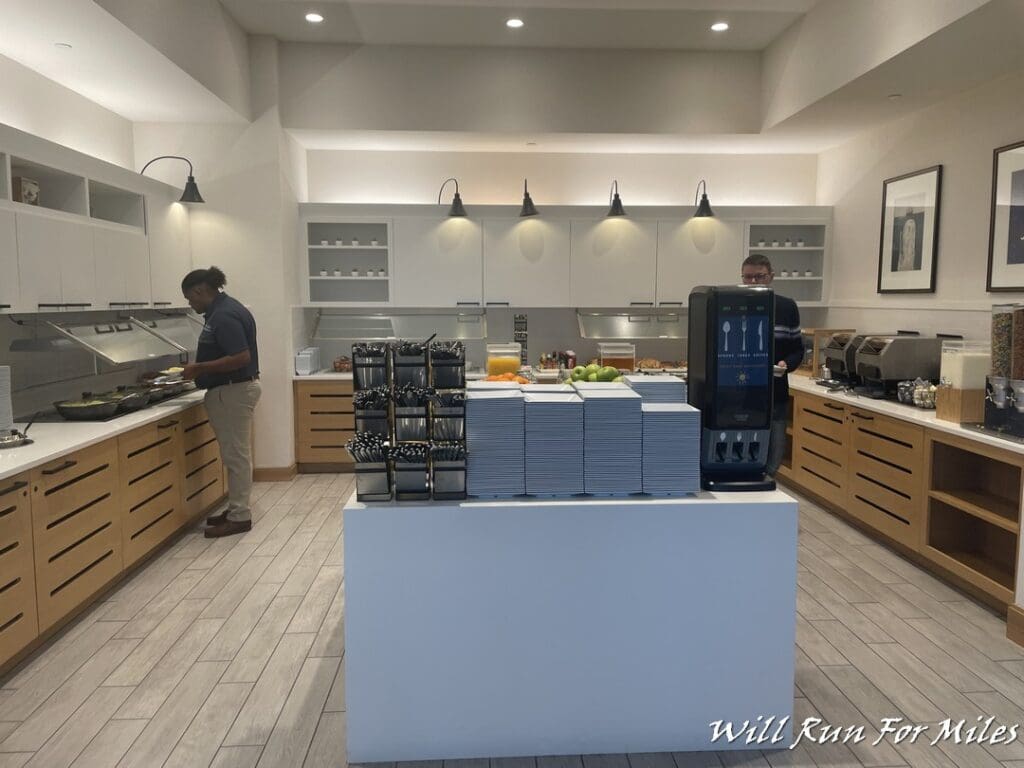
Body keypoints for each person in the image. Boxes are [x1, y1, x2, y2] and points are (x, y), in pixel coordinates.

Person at [180, 267, 262, 538]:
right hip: (232, 390)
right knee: (235, 454)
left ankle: (239, 516)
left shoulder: (224, 315)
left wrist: (199, 367)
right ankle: (236, 508)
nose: (191, 305)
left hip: (232, 391)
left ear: (200, 291)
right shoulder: (224, 309)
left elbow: (241, 357)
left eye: (190, 299)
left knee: (236, 456)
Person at [740, 254, 803, 477]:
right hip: (741, 391)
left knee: (775, 443)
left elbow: (798, 349)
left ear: (771, 277)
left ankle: (769, 479)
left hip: (776, 390)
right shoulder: (735, 306)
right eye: (748, 277)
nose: (754, 282)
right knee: (745, 443)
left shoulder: (787, 308)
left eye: (760, 276)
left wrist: (787, 363)